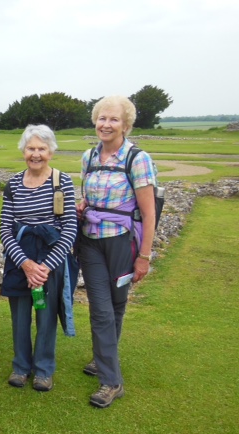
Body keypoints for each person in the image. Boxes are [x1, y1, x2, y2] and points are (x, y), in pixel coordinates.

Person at [76, 95, 156, 408]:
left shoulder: (137, 159)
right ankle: (111, 380)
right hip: (92, 241)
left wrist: (144, 256)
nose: (106, 124)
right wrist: (84, 205)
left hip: (124, 241)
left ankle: (102, 357)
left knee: (117, 303)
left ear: (125, 125)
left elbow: (148, 213)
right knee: (101, 308)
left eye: (113, 120)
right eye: (102, 118)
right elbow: (87, 196)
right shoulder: (88, 157)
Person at [0, 125, 77, 393]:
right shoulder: (12, 184)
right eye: (31, 148)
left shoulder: (62, 181)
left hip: (50, 258)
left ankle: (44, 370)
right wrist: (25, 263)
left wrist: (44, 267)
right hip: (20, 257)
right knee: (20, 316)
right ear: (23, 151)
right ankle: (21, 367)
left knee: (45, 317)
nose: (36, 154)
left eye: (41, 149)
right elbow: (4, 229)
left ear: (51, 151)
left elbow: (69, 229)